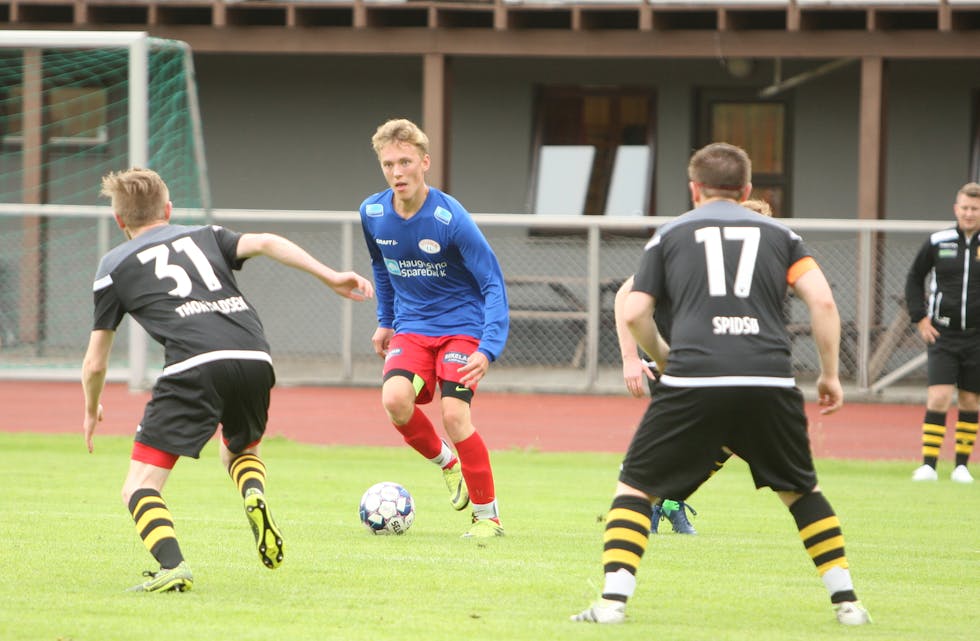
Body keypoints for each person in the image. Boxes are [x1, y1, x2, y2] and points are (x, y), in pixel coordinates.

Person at [572, 143, 870, 626]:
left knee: (635, 488)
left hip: (695, 378)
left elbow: (631, 310)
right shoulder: (784, 237)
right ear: (748, 190)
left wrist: (664, 356)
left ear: (694, 190)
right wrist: (831, 373)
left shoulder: (669, 236)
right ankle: (848, 604)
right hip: (768, 378)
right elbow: (824, 304)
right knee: (801, 492)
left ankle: (611, 603)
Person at [82, 168, 374, 592]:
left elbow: (94, 363)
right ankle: (252, 491)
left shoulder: (113, 267)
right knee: (238, 450)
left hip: (193, 364)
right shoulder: (206, 234)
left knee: (139, 485)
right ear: (168, 209)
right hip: (254, 354)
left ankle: (173, 565)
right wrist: (330, 276)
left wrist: (92, 410)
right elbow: (270, 242)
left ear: (119, 221)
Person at [359, 118, 509, 538]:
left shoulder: (450, 218)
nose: (397, 172)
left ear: (424, 162)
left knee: (453, 413)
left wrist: (489, 346)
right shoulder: (371, 213)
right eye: (388, 164)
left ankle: (488, 518)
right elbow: (381, 267)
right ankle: (447, 464)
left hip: (463, 327)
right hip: (412, 326)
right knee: (395, 400)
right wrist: (385, 320)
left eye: (405, 162)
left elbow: (492, 281)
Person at [610, 201, 774, 533]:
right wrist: (630, 358)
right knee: (681, 441)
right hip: (672, 362)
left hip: (715, 366)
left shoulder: (747, 267)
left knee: (730, 439)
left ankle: (668, 498)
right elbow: (625, 295)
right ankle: (646, 500)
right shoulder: (689, 248)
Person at [905, 181, 980, 484]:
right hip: (943, 335)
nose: (969, 213)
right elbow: (914, 277)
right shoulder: (939, 241)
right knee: (938, 397)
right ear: (956, 209)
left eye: (975, 208)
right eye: (964, 207)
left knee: (970, 401)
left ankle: (961, 465)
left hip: (976, 337)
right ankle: (929, 465)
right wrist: (919, 318)